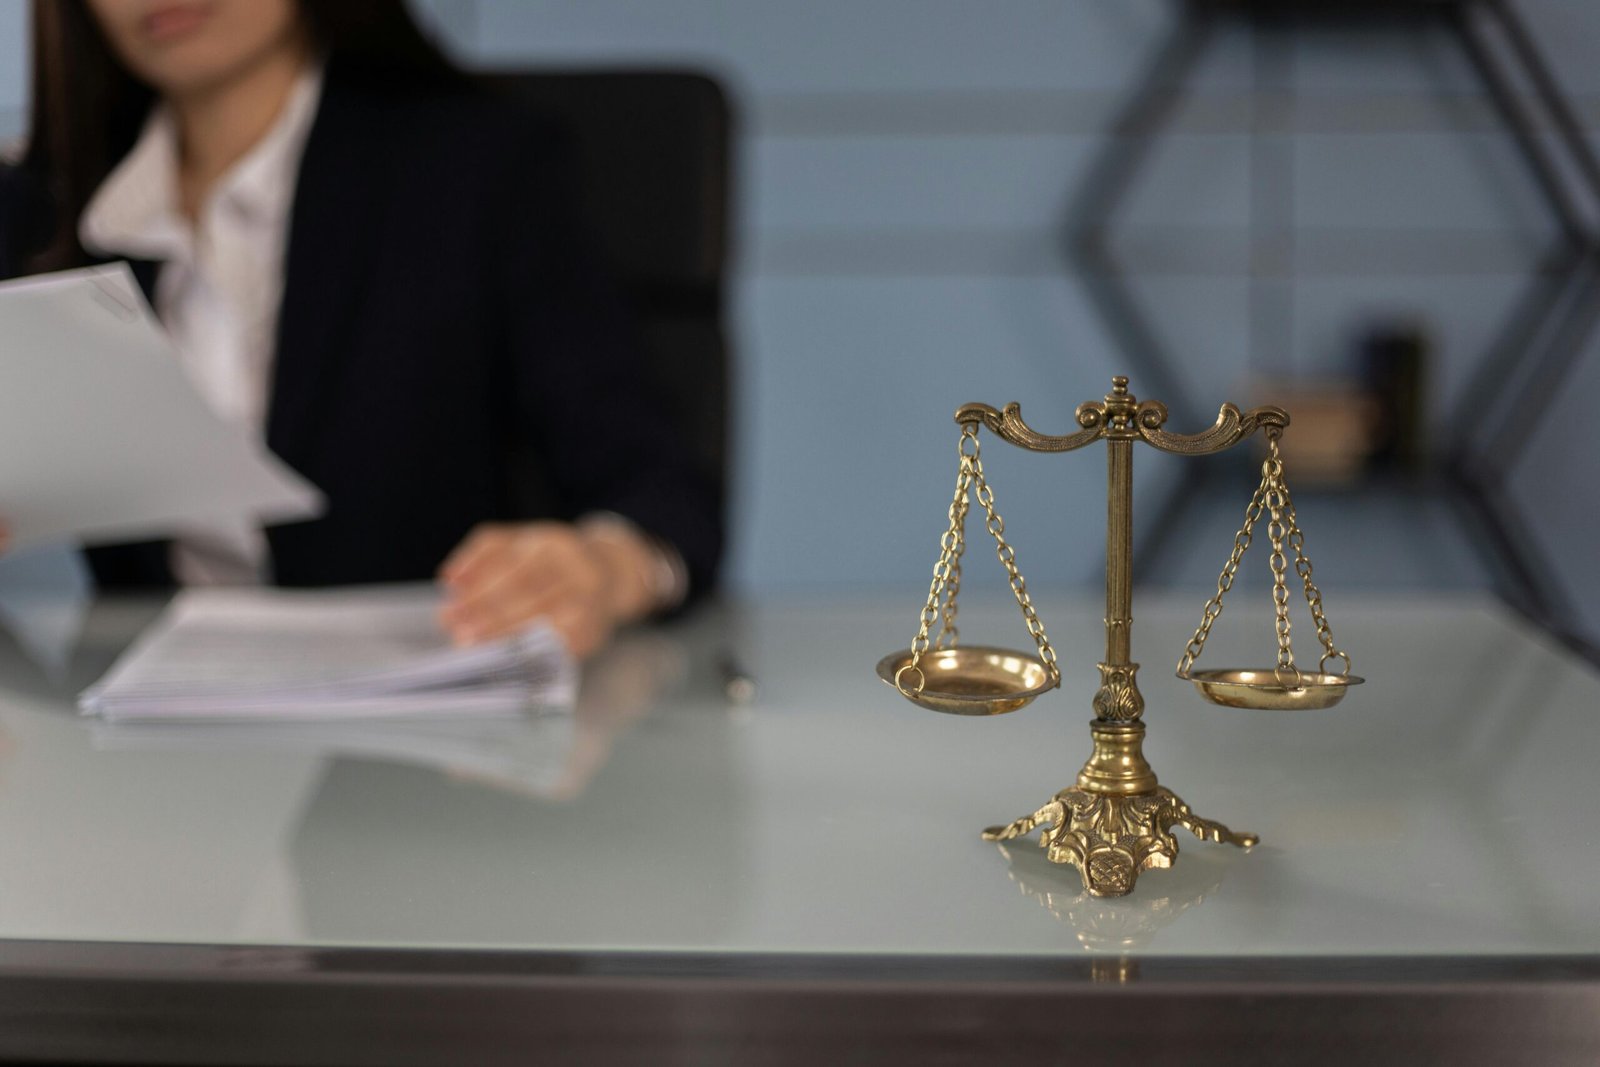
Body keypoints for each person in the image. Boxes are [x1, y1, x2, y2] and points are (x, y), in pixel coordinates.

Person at [0, 0, 722, 658]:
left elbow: (659, 489)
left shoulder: (475, 168)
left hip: (429, 712)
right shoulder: (38, 216)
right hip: (134, 729)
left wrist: (603, 567)